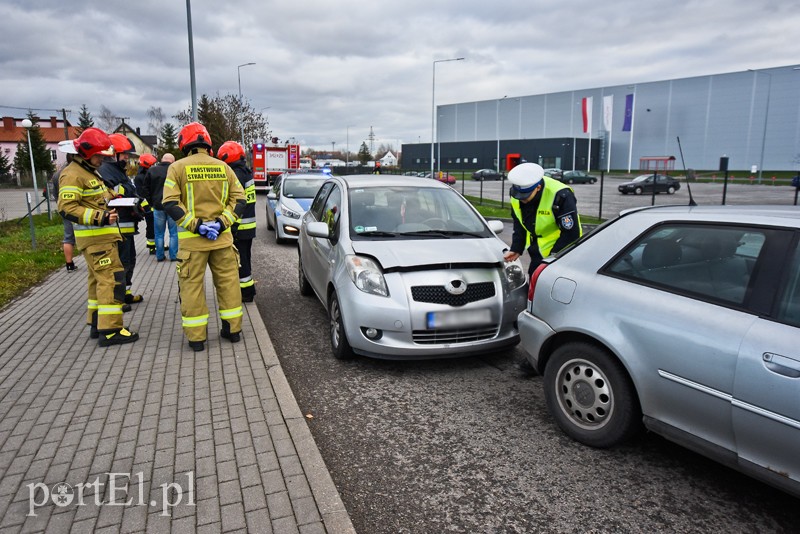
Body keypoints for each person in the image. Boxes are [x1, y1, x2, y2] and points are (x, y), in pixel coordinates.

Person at [162, 122, 247, 352]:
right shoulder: (224, 168)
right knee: (229, 284)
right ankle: (233, 331)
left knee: (192, 288)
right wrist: (221, 223)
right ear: (207, 143)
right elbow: (240, 200)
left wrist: (196, 226)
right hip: (223, 240)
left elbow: (170, 203)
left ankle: (197, 339)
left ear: (184, 143)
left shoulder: (177, 168)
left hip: (192, 243)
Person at [57, 128, 139, 346]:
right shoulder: (73, 174)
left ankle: (96, 323)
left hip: (101, 240)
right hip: (96, 239)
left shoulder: (89, 171)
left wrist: (115, 197)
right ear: (86, 153)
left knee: (97, 282)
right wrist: (100, 217)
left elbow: (98, 195)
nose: (102, 160)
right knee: (112, 281)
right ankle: (111, 329)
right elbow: (66, 207)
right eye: (99, 156)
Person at [503, 163, 582, 275]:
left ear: (538, 188)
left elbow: (571, 233)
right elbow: (519, 222)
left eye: (525, 196)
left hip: (561, 252)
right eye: (519, 196)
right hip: (536, 251)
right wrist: (517, 248)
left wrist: (553, 259)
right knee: (534, 280)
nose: (522, 200)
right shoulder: (516, 194)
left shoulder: (561, 195)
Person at [99, 133, 145, 307]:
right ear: (113, 153)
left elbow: (129, 191)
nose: (127, 157)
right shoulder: (105, 171)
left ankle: (125, 292)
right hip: (116, 225)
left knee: (130, 260)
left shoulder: (118, 171)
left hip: (126, 224)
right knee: (119, 263)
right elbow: (111, 195)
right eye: (124, 154)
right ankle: (116, 298)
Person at [217, 141, 256, 302]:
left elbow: (235, 203)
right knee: (245, 258)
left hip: (239, 226)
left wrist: (231, 226)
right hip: (247, 226)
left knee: (240, 262)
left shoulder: (236, 174)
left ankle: (246, 293)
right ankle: (247, 289)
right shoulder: (245, 171)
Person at [142, 153, 178, 261]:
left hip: (158, 206)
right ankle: (173, 256)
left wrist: (151, 202)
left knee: (159, 233)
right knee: (173, 233)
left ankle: (160, 256)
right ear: (173, 161)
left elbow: (145, 189)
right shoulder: (175, 170)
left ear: (162, 159)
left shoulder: (152, 170)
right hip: (172, 206)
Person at [53, 140, 79, 272]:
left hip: (64, 209)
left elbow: (54, 194)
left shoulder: (57, 174)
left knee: (68, 236)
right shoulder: (76, 173)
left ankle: (69, 264)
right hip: (78, 209)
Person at [135, 153, 158, 254]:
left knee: (155, 226)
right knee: (151, 226)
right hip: (147, 206)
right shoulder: (140, 178)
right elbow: (141, 194)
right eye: (151, 165)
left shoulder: (147, 175)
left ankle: (156, 244)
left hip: (152, 204)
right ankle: (152, 246)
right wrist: (147, 207)